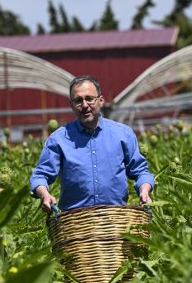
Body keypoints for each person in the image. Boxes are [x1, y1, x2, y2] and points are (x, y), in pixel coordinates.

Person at [30, 75, 154, 213]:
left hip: (116, 216)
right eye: (78, 100)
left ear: (101, 101)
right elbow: (40, 176)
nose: (84, 105)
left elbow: (140, 171)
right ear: (72, 105)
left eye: (89, 99)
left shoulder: (123, 134)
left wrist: (144, 191)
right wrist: (45, 195)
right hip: (75, 219)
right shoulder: (58, 139)